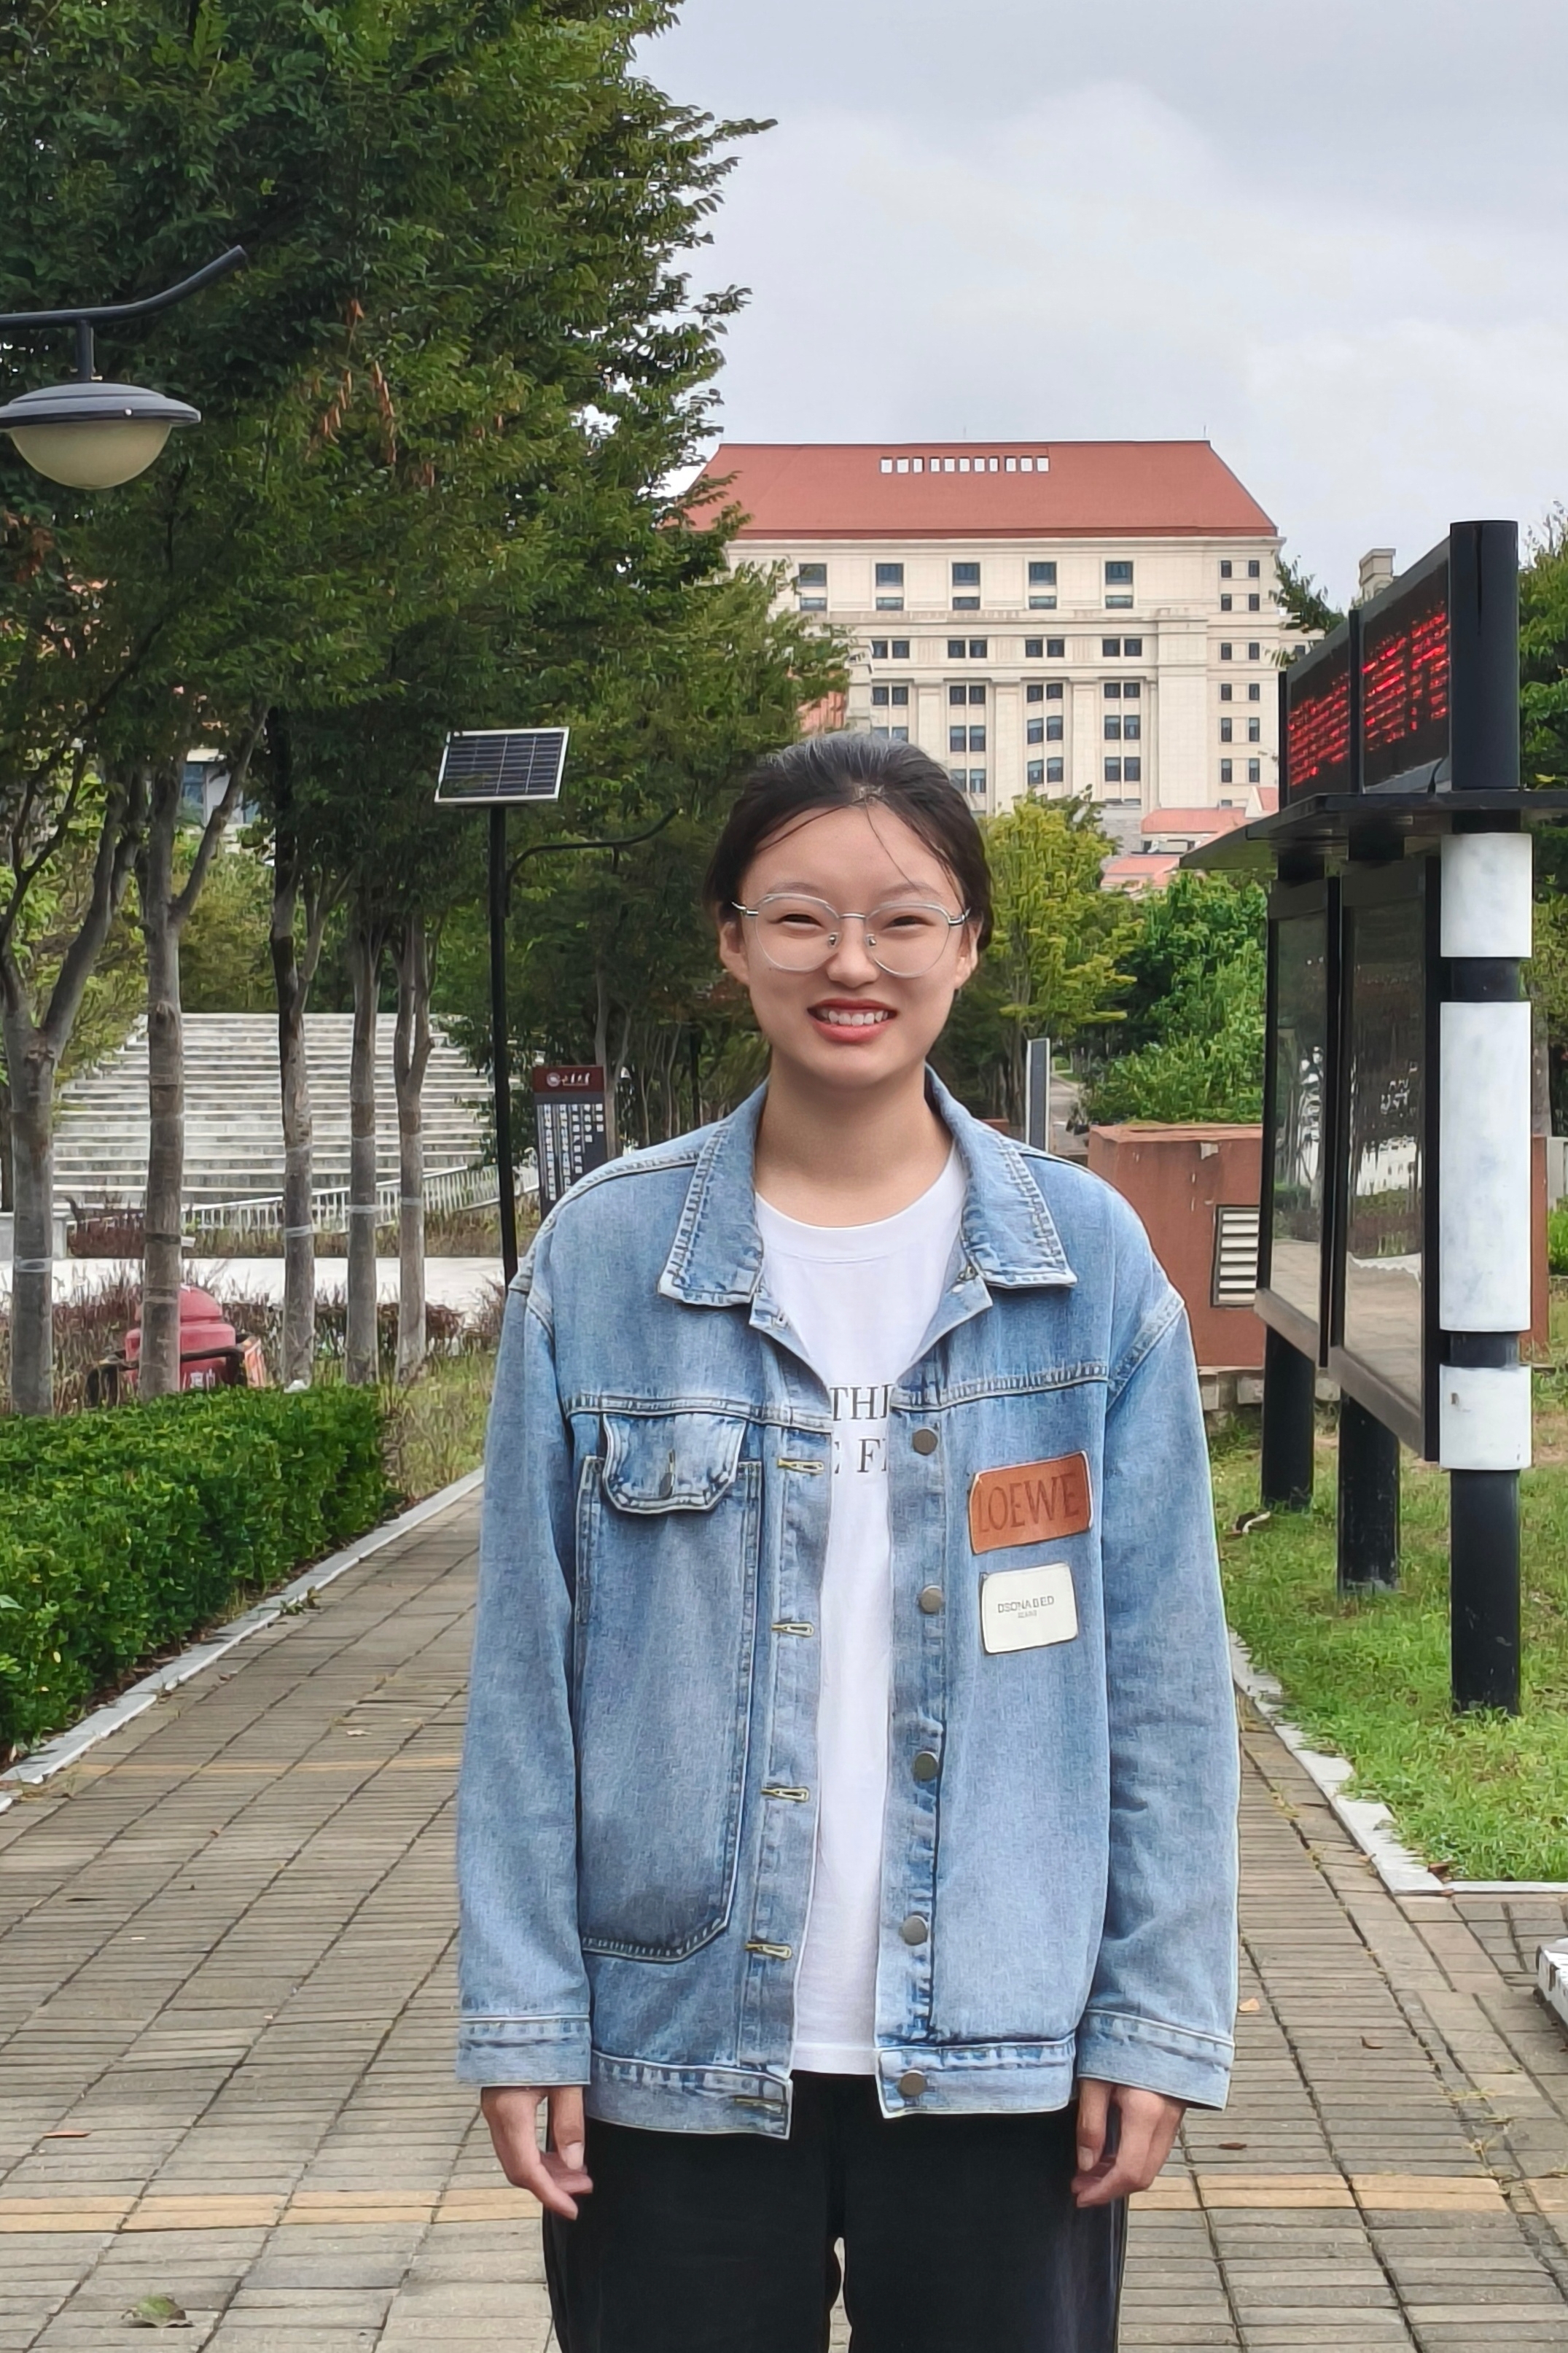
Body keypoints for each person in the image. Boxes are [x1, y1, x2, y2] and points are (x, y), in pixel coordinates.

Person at [458, 734, 1239, 2353]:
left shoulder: (1085, 1266)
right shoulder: (603, 1262)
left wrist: (1155, 2015)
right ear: (733, 940)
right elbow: (526, 1686)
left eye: (902, 919)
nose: (851, 964)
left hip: (1006, 2046)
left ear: (966, 944)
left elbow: (1164, 1684)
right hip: (667, 2055)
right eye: (801, 917)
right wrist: (523, 2013)